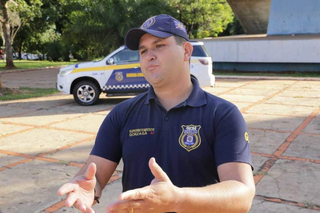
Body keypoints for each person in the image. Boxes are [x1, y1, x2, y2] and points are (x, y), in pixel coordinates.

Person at [58, 14, 255, 213]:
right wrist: (87, 187)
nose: (149, 55)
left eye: (159, 46)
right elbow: (94, 176)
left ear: (186, 51)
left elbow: (242, 194)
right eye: (143, 51)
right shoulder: (122, 114)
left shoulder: (222, 114)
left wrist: (179, 199)